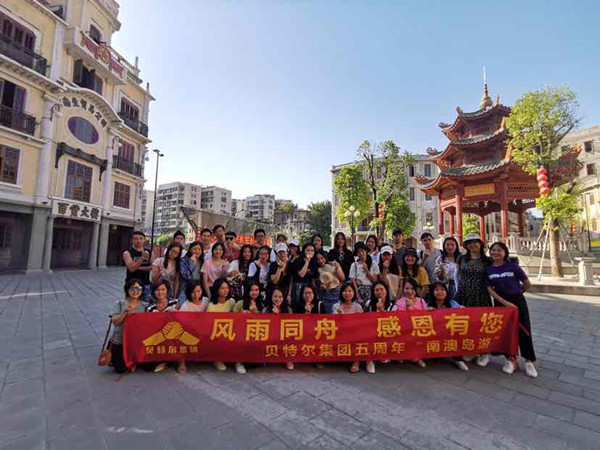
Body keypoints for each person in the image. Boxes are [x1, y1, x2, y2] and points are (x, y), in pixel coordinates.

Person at [487, 242, 538, 378]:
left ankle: (529, 361)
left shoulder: (513, 266)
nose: (495, 252)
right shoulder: (489, 269)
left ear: (505, 253)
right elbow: (490, 289)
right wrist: (504, 302)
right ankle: (510, 359)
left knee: (524, 330)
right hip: (500, 302)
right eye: (493, 250)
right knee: (505, 332)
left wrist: (518, 294)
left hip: (517, 302)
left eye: (499, 250)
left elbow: (527, 284)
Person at [456, 233, 492, 368]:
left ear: (480, 243)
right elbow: (456, 275)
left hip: (480, 295)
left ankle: (484, 352)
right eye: (469, 243)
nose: (472, 245)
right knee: (467, 324)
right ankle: (470, 349)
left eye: (475, 242)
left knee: (481, 324)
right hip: (464, 294)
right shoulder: (462, 258)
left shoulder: (487, 260)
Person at [427, 281, 469, 372]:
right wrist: (427, 311)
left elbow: (461, 313)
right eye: (437, 290)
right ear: (432, 292)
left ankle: (458, 359)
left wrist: (462, 308)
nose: (440, 292)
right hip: (435, 333)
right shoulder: (429, 304)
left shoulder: (452, 303)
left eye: (442, 290)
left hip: (450, 332)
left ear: (446, 292)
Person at [110, 279, 147, 374]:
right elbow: (115, 322)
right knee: (120, 369)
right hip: (121, 339)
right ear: (127, 289)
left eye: (138, 288)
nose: (135, 291)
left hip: (137, 341)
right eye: (132, 288)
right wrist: (124, 313)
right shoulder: (120, 303)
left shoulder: (145, 306)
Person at [392, 278, 427, 369]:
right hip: (404, 329)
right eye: (407, 288)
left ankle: (417, 358)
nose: (409, 291)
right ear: (403, 289)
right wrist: (407, 307)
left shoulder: (421, 301)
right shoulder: (399, 302)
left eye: (412, 289)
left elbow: (426, 316)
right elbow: (399, 319)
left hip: (419, 328)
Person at [147, 279, 179, 373]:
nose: (160, 292)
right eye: (157, 290)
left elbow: (182, 320)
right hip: (158, 337)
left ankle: (167, 361)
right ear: (154, 292)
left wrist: (176, 313)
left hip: (173, 337)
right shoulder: (150, 309)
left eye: (163, 289)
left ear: (167, 290)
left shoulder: (175, 303)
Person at [178, 281, 209, 374]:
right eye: (193, 292)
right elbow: (181, 322)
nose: (196, 294)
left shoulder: (206, 301)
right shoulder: (186, 306)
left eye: (198, 291)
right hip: (190, 331)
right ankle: (181, 362)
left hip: (204, 330)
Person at [206, 278, 237, 371]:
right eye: (222, 288)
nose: (225, 290)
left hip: (230, 332)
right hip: (217, 333)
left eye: (227, 288)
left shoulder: (231, 301)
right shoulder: (211, 306)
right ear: (217, 290)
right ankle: (216, 359)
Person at [333, 282, 363, 373]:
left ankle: (356, 361)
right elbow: (333, 322)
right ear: (341, 293)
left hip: (354, 332)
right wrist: (339, 317)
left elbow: (361, 323)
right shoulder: (336, 306)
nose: (347, 293)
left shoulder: (357, 307)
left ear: (354, 293)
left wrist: (345, 318)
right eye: (345, 291)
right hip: (340, 332)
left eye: (350, 291)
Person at [364, 281, 392, 374]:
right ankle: (369, 361)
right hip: (371, 330)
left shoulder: (392, 306)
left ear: (386, 291)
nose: (379, 292)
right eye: (376, 290)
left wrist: (381, 311)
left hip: (386, 331)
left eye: (381, 289)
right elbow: (363, 318)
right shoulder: (368, 304)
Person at [264, 287, 293, 370]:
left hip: (284, 334)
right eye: (275, 296)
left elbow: (292, 325)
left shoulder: (288, 310)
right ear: (271, 297)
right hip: (270, 335)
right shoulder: (266, 310)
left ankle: (288, 359)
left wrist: (279, 316)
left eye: (280, 297)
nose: (278, 299)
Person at [348, 242, 380, 310]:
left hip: (371, 291)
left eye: (362, 251)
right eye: (358, 252)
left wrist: (366, 270)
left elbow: (375, 281)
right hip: (359, 291)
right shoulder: (354, 265)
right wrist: (357, 296)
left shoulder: (373, 264)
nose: (361, 253)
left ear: (366, 250)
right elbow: (353, 281)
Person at [123, 231, 152, 301]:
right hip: (132, 285)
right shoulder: (127, 253)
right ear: (132, 240)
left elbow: (152, 267)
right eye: (136, 239)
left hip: (146, 284)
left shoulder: (150, 252)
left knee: (146, 305)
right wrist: (142, 258)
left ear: (144, 240)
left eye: (141, 238)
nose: (138, 241)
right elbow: (132, 269)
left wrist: (137, 267)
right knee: (132, 305)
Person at [291, 243, 318, 308]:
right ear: (304, 251)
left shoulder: (314, 261)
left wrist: (315, 290)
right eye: (308, 250)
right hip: (299, 287)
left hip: (309, 287)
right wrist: (307, 261)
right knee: (299, 306)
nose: (310, 252)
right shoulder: (298, 260)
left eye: (312, 251)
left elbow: (314, 277)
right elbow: (301, 274)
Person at [434, 237, 461, 301]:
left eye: (452, 245)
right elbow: (438, 276)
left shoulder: (461, 258)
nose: (450, 247)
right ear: (444, 246)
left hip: (460, 286)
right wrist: (442, 270)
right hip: (445, 286)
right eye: (447, 245)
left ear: (456, 246)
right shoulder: (440, 259)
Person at [179, 241, 204, 305]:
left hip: (198, 289)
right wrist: (192, 263)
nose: (197, 251)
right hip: (186, 288)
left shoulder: (202, 261)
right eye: (194, 249)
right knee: (183, 306)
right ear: (190, 250)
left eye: (199, 249)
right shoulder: (184, 260)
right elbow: (186, 275)